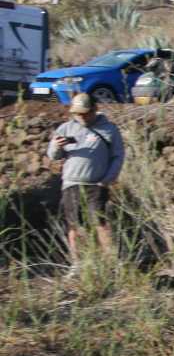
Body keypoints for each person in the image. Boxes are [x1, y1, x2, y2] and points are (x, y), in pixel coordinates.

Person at [47, 93, 125, 268]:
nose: (81, 116)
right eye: (77, 113)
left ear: (94, 109)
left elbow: (118, 157)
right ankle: (78, 265)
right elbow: (53, 155)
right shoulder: (65, 128)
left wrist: (108, 179)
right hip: (71, 183)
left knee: (101, 224)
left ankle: (112, 264)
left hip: (96, 184)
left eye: (85, 113)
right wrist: (57, 146)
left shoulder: (109, 129)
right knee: (74, 226)